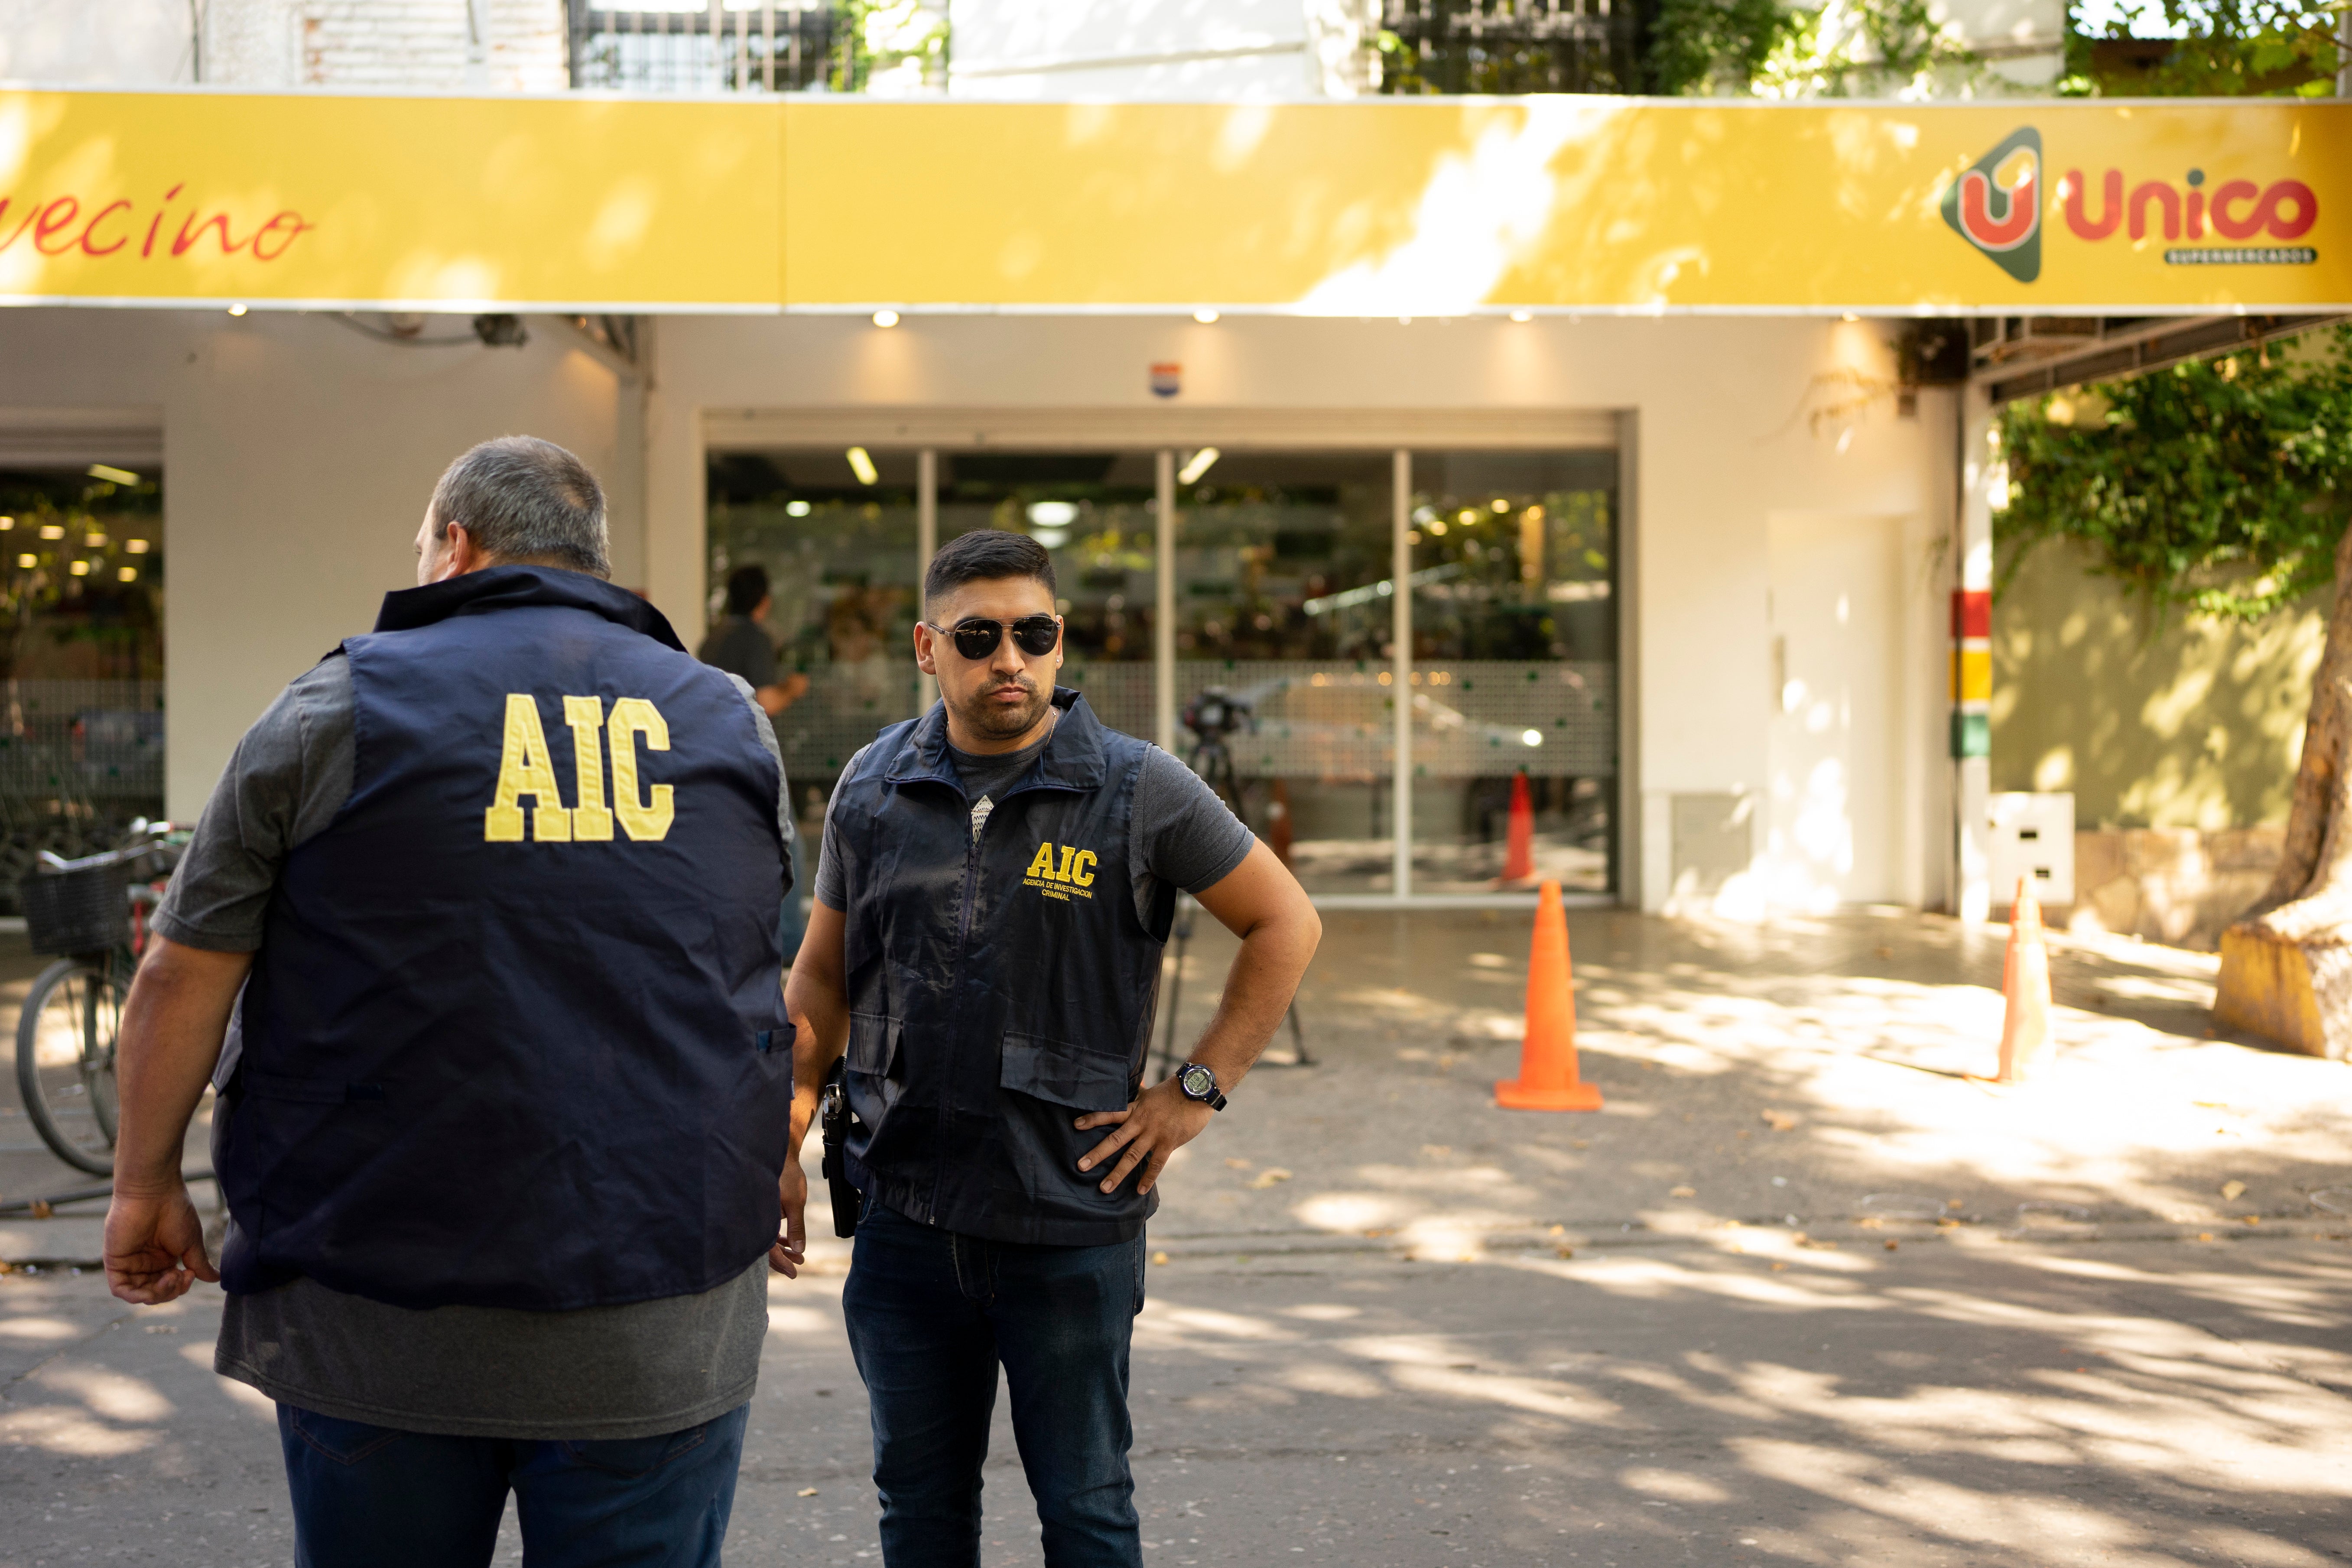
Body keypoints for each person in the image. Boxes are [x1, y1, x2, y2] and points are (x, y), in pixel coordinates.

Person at [101, 436, 805, 1568]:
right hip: (659, 1309)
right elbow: (753, 970)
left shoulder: (331, 709)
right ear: (591, 560)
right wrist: (772, 1145)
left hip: (375, 1313)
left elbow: (182, 972)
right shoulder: (733, 722)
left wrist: (144, 1185)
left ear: (456, 546)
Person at [782, 529, 1322, 1568]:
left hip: (1067, 1227)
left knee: (1085, 1510)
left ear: (1060, 641)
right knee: (918, 1510)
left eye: (1033, 634)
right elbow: (820, 977)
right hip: (903, 1224)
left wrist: (1194, 1091)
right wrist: (789, 1121)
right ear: (926, 647)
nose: (1009, 659)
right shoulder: (871, 786)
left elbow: (1285, 922)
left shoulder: (1138, 788)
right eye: (977, 637)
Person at [698, 562, 811, 958]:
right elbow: (765, 701)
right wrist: (793, 688)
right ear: (764, 601)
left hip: (713, 753)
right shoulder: (755, 637)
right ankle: (791, 948)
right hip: (754, 757)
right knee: (789, 847)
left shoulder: (711, 640)